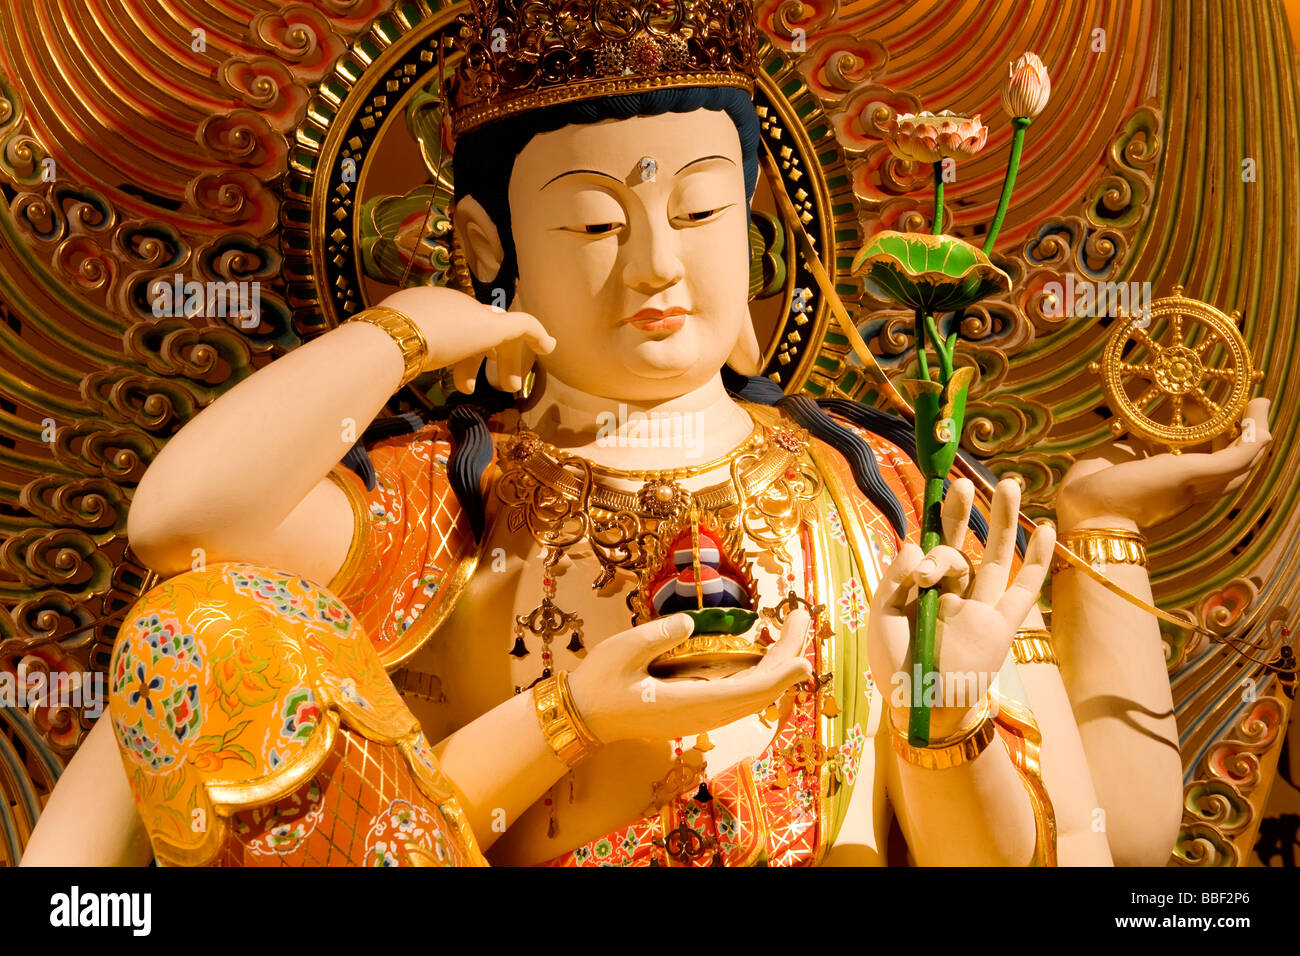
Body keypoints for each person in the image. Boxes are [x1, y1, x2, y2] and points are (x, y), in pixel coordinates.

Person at [21, 0, 1271, 867]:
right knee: (200, 627)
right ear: (486, 248)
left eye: (701, 209)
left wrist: (976, 679)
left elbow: (1114, 853)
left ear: (759, 232)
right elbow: (180, 535)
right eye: (595, 226)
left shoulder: (876, 489)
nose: (659, 264)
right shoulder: (439, 497)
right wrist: (405, 330)